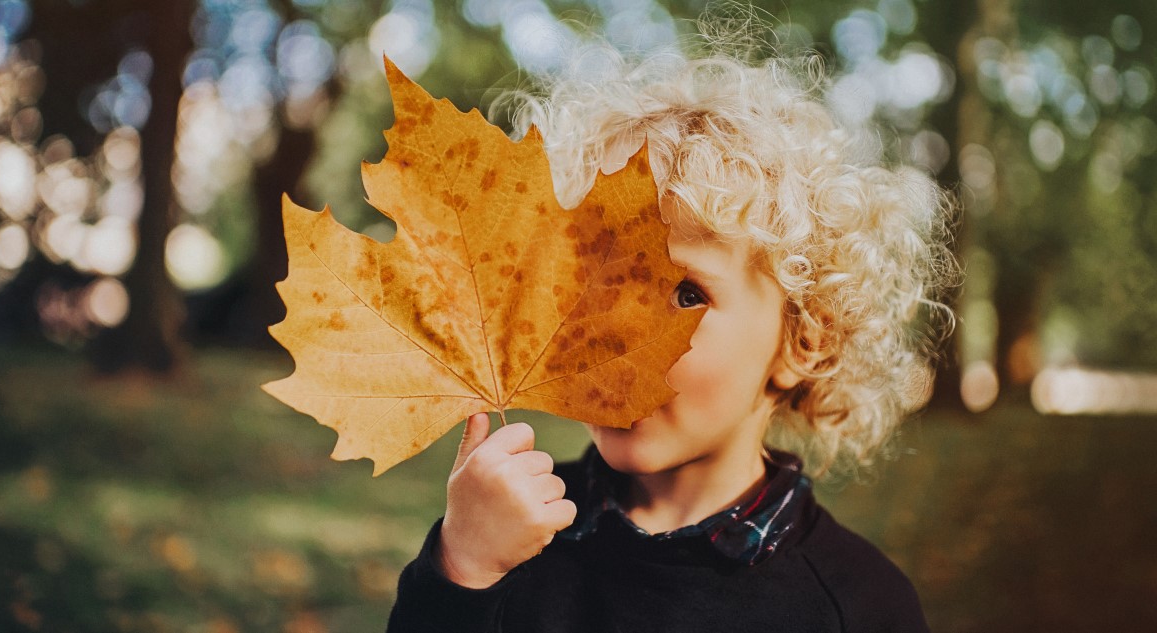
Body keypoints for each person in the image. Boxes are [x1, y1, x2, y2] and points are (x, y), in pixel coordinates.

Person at [387, 26, 956, 633]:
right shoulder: (511, 532)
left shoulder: (860, 606)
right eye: (593, 280)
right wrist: (464, 568)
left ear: (804, 340)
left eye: (686, 293)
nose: (615, 329)